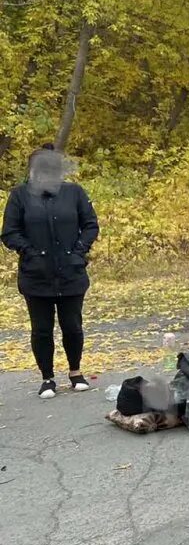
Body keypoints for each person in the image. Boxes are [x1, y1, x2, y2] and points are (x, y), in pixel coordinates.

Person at [2, 147, 99, 398]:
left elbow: (90, 225)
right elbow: (10, 232)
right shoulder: (20, 196)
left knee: (72, 326)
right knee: (42, 329)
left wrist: (78, 251)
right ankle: (47, 378)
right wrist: (30, 252)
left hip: (71, 272)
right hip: (36, 275)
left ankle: (75, 372)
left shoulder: (74, 192)